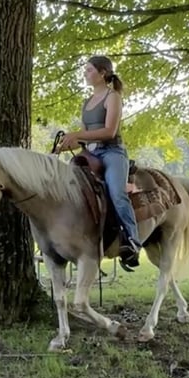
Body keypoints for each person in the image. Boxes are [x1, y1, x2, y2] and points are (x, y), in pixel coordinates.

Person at [56, 55, 141, 268]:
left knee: (117, 193)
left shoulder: (112, 97)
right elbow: (86, 135)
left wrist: (76, 135)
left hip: (112, 152)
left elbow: (109, 131)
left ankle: (132, 240)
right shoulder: (87, 102)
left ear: (103, 73)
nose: (85, 74)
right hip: (90, 154)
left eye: (89, 70)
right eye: (85, 70)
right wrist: (66, 145)